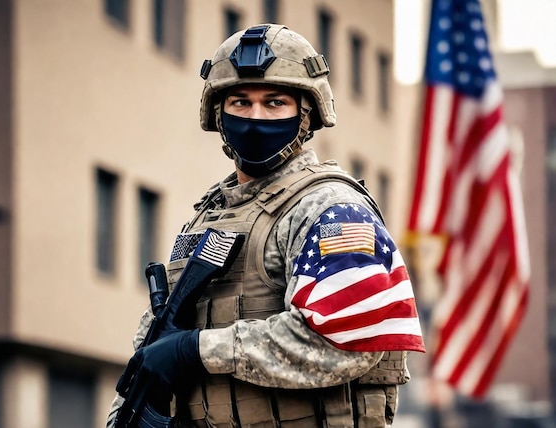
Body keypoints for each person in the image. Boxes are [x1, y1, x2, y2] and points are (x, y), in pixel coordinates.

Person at [107, 23, 425, 428]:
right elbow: (151, 353)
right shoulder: (209, 216)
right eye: (240, 102)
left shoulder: (331, 208)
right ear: (219, 114)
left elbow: (343, 340)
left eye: (275, 103)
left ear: (305, 114)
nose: (255, 117)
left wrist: (196, 350)